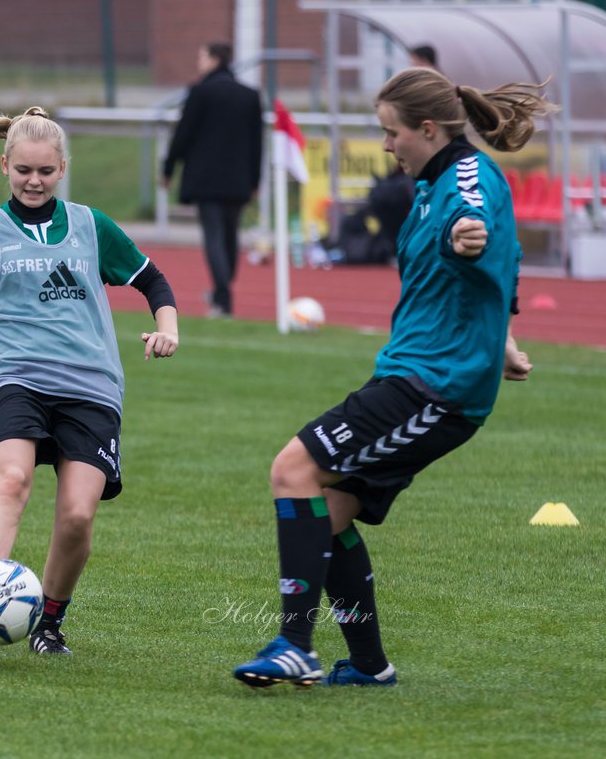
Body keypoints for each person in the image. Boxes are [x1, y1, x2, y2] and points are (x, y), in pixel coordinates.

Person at [232, 67, 554, 688]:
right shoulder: (432, 182)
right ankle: (370, 665)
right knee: (327, 509)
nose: (386, 145)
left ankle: (294, 644)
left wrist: (469, 241)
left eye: (391, 132)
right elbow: (495, 268)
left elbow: (481, 227)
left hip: (436, 385)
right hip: (424, 372)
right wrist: (505, 335)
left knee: (291, 471)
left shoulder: (463, 179)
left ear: (427, 129)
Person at [0, 84, 180, 655]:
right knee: (11, 479)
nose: (34, 182)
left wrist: (169, 327)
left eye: (46, 172)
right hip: (13, 378)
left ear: (63, 169)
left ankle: (50, 622)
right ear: (5, 165)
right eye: (24, 171)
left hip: (91, 384)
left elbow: (152, 280)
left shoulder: (91, 226)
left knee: (79, 516)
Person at [161, 42, 263, 318]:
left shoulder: (200, 92)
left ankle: (223, 298)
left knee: (215, 237)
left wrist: (168, 168)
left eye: (202, 56)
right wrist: (255, 179)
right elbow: (257, 143)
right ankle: (221, 291)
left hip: (206, 179)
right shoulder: (250, 95)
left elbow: (183, 134)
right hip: (239, 179)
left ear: (216, 59)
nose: (199, 61)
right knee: (230, 237)